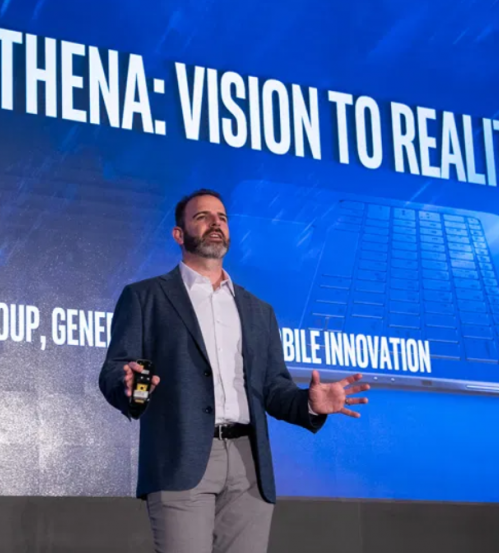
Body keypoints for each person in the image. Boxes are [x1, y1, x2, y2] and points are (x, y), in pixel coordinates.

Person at [99, 188, 370, 553]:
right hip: (180, 459)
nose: (215, 223)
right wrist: (128, 384)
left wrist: (309, 402)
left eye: (222, 218)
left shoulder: (259, 310)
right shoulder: (145, 297)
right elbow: (115, 369)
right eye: (202, 217)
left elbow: (273, 388)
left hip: (248, 463)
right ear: (178, 234)